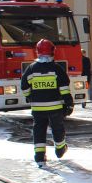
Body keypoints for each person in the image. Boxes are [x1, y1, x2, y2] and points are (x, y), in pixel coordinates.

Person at [20, 39, 74, 167]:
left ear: (37, 52)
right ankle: (60, 150)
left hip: (38, 109)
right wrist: (69, 103)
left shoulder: (31, 69)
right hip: (55, 108)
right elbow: (64, 89)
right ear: (52, 52)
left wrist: (30, 98)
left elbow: (24, 87)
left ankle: (39, 156)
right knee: (57, 129)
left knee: (39, 130)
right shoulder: (57, 69)